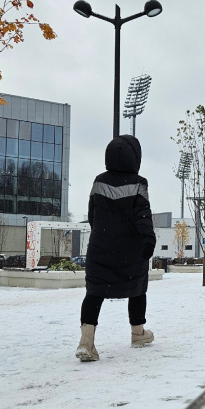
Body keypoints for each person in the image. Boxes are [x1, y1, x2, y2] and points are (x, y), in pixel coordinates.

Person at [76, 135, 156, 362]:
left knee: (94, 292)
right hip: (130, 250)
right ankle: (138, 333)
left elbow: (92, 215)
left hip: (100, 247)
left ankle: (86, 343)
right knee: (138, 288)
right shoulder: (139, 183)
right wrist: (148, 239)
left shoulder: (99, 181)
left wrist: (104, 235)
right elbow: (142, 215)